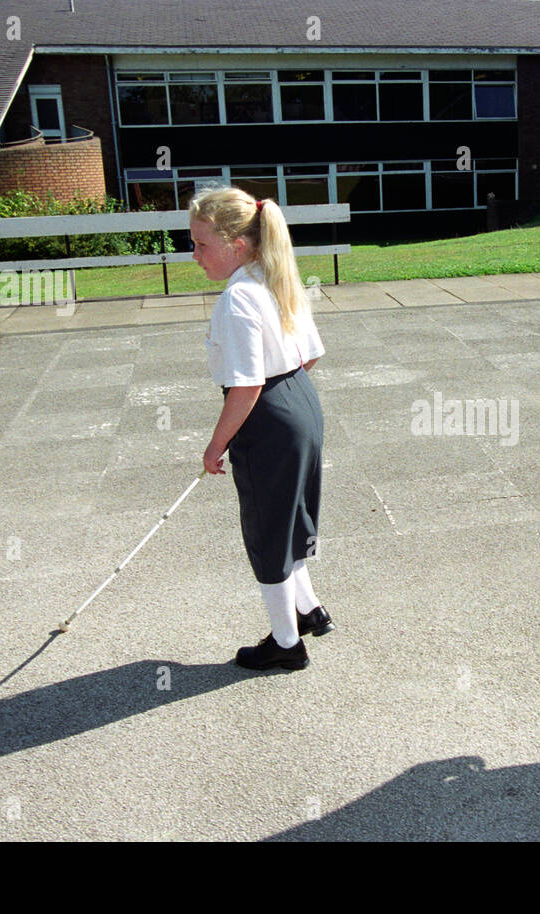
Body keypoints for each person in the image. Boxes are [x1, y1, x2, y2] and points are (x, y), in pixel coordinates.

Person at [190, 186, 333, 671]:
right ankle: (310, 609)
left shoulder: (236, 300)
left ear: (237, 244)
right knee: (290, 517)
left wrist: (216, 445)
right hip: (301, 404)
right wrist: (285, 398)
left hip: (267, 418)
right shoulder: (276, 278)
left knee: (267, 530)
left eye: (201, 244)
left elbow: (246, 387)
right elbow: (310, 353)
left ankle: (287, 644)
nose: (194, 255)